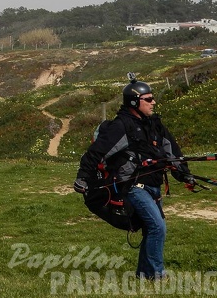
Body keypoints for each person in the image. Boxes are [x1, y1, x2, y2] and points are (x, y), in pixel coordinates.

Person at [74, 74, 195, 280]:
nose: (153, 102)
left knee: (151, 227)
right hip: (133, 186)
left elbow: (172, 151)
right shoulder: (121, 126)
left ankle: (143, 274)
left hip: (154, 185)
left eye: (152, 98)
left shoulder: (155, 125)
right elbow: (97, 152)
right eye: (148, 99)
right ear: (134, 102)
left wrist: (184, 174)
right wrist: (83, 177)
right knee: (157, 227)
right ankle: (156, 275)